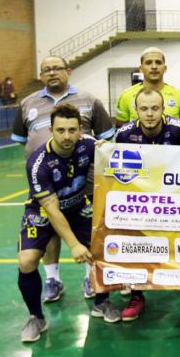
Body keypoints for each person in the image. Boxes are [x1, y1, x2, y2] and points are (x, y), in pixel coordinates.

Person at [12, 56, 115, 303]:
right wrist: (47, 161)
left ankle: (91, 278)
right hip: (45, 186)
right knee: (45, 237)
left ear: (68, 71)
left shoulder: (89, 100)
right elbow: (21, 138)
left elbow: (107, 143)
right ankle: (51, 281)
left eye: (57, 68)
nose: (52, 72)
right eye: (46, 69)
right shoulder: (28, 103)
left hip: (84, 188)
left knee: (98, 240)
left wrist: (102, 148)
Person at [18, 104, 120, 342]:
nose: (66, 136)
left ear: (80, 129)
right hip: (43, 211)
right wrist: (74, 244)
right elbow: (52, 210)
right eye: (60, 130)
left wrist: (107, 150)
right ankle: (36, 317)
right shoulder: (38, 164)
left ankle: (101, 303)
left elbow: (116, 160)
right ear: (51, 130)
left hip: (77, 207)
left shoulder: (88, 145)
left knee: (104, 247)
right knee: (27, 261)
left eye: (72, 130)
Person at [114, 89, 180, 321]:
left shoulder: (178, 130)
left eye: (155, 108)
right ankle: (136, 295)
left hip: (175, 199)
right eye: (144, 109)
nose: (149, 114)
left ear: (163, 109)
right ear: (135, 110)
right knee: (137, 245)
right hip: (141, 202)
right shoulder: (124, 134)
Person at [115, 47, 180, 128]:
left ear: (165, 68)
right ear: (141, 69)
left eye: (158, 62)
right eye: (148, 63)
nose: (154, 66)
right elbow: (120, 130)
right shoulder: (126, 96)